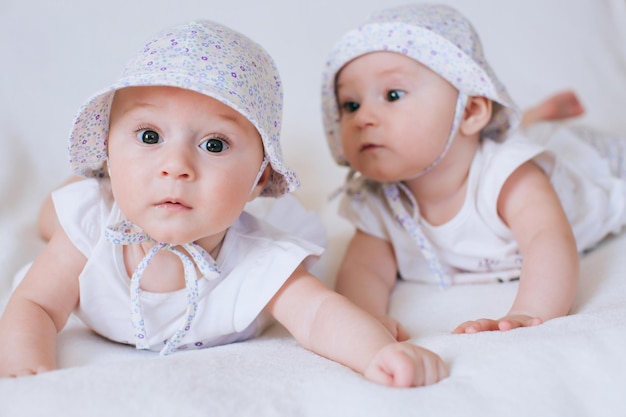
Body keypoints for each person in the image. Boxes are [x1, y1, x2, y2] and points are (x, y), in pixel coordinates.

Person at [0, 20, 448, 387]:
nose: (176, 166)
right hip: (106, 200)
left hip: (241, 219)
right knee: (55, 217)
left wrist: (378, 354)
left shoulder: (259, 258)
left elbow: (318, 315)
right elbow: (35, 305)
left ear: (260, 178)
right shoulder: (89, 228)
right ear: (109, 155)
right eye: (149, 137)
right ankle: (81, 187)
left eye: (215, 144)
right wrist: (28, 372)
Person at [320, 3, 626, 338]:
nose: (363, 118)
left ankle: (538, 116)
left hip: (584, 163)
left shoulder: (509, 174)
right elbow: (365, 270)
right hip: (478, 138)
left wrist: (529, 312)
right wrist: (366, 317)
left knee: (562, 146)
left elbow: (548, 240)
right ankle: (536, 114)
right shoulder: (378, 200)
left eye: (393, 95)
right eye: (351, 104)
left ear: (469, 112)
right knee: (510, 133)